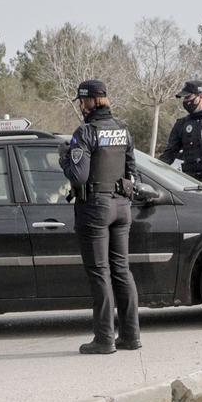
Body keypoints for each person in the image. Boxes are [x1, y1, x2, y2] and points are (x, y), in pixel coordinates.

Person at [60, 79, 139, 355]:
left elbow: (78, 175)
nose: (81, 106)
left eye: (82, 101)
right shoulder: (123, 129)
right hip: (121, 207)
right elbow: (132, 172)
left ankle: (104, 339)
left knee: (100, 273)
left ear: (92, 101)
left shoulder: (86, 132)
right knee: (122, 270)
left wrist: (65, 159)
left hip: (95, 208)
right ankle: (130, 336)